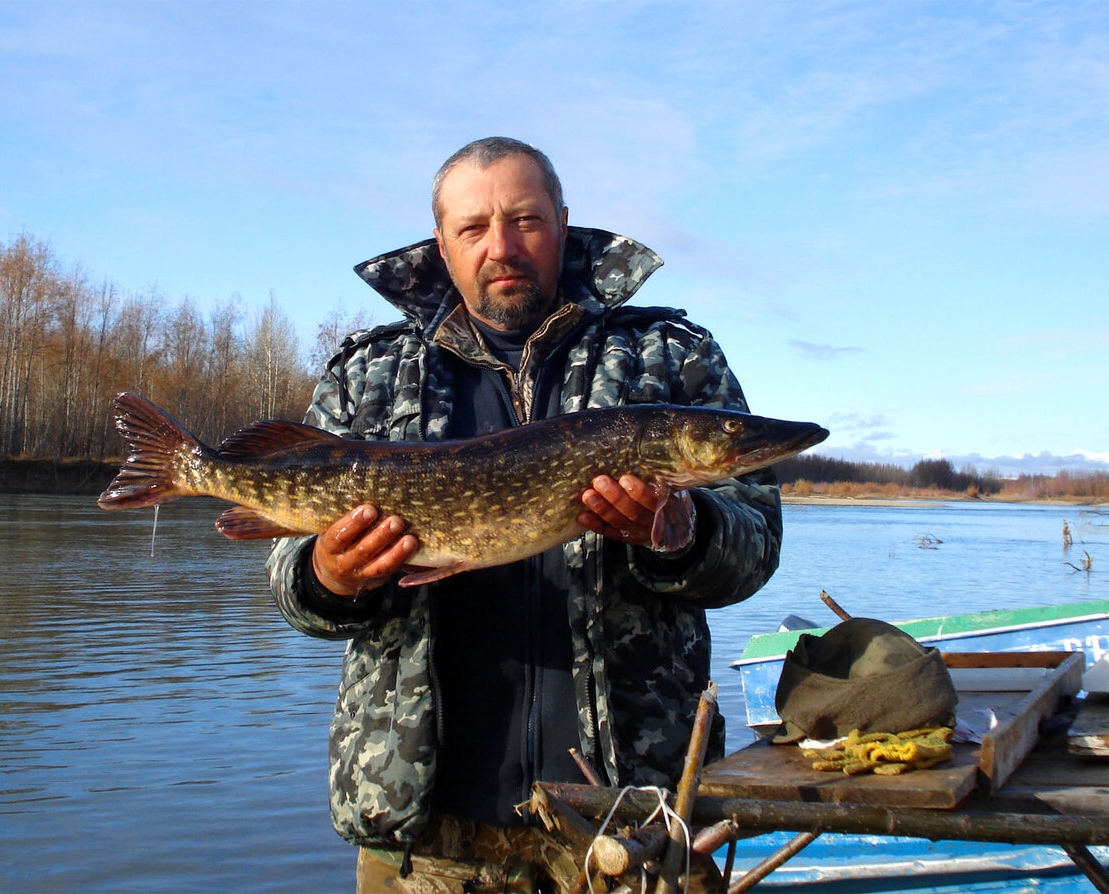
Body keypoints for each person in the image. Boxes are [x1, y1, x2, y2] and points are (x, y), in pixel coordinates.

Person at [266, 137, 783, 892]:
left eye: (526, 220)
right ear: (441, 243)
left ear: (563, 223)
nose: (501, 246)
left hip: (635, 821)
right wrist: (327, 576)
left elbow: (756, 542)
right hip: (424, 829)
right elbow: (292, 587)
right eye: (474, 227)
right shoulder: (367, 374)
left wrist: (682, 535)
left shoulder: (667, 357)